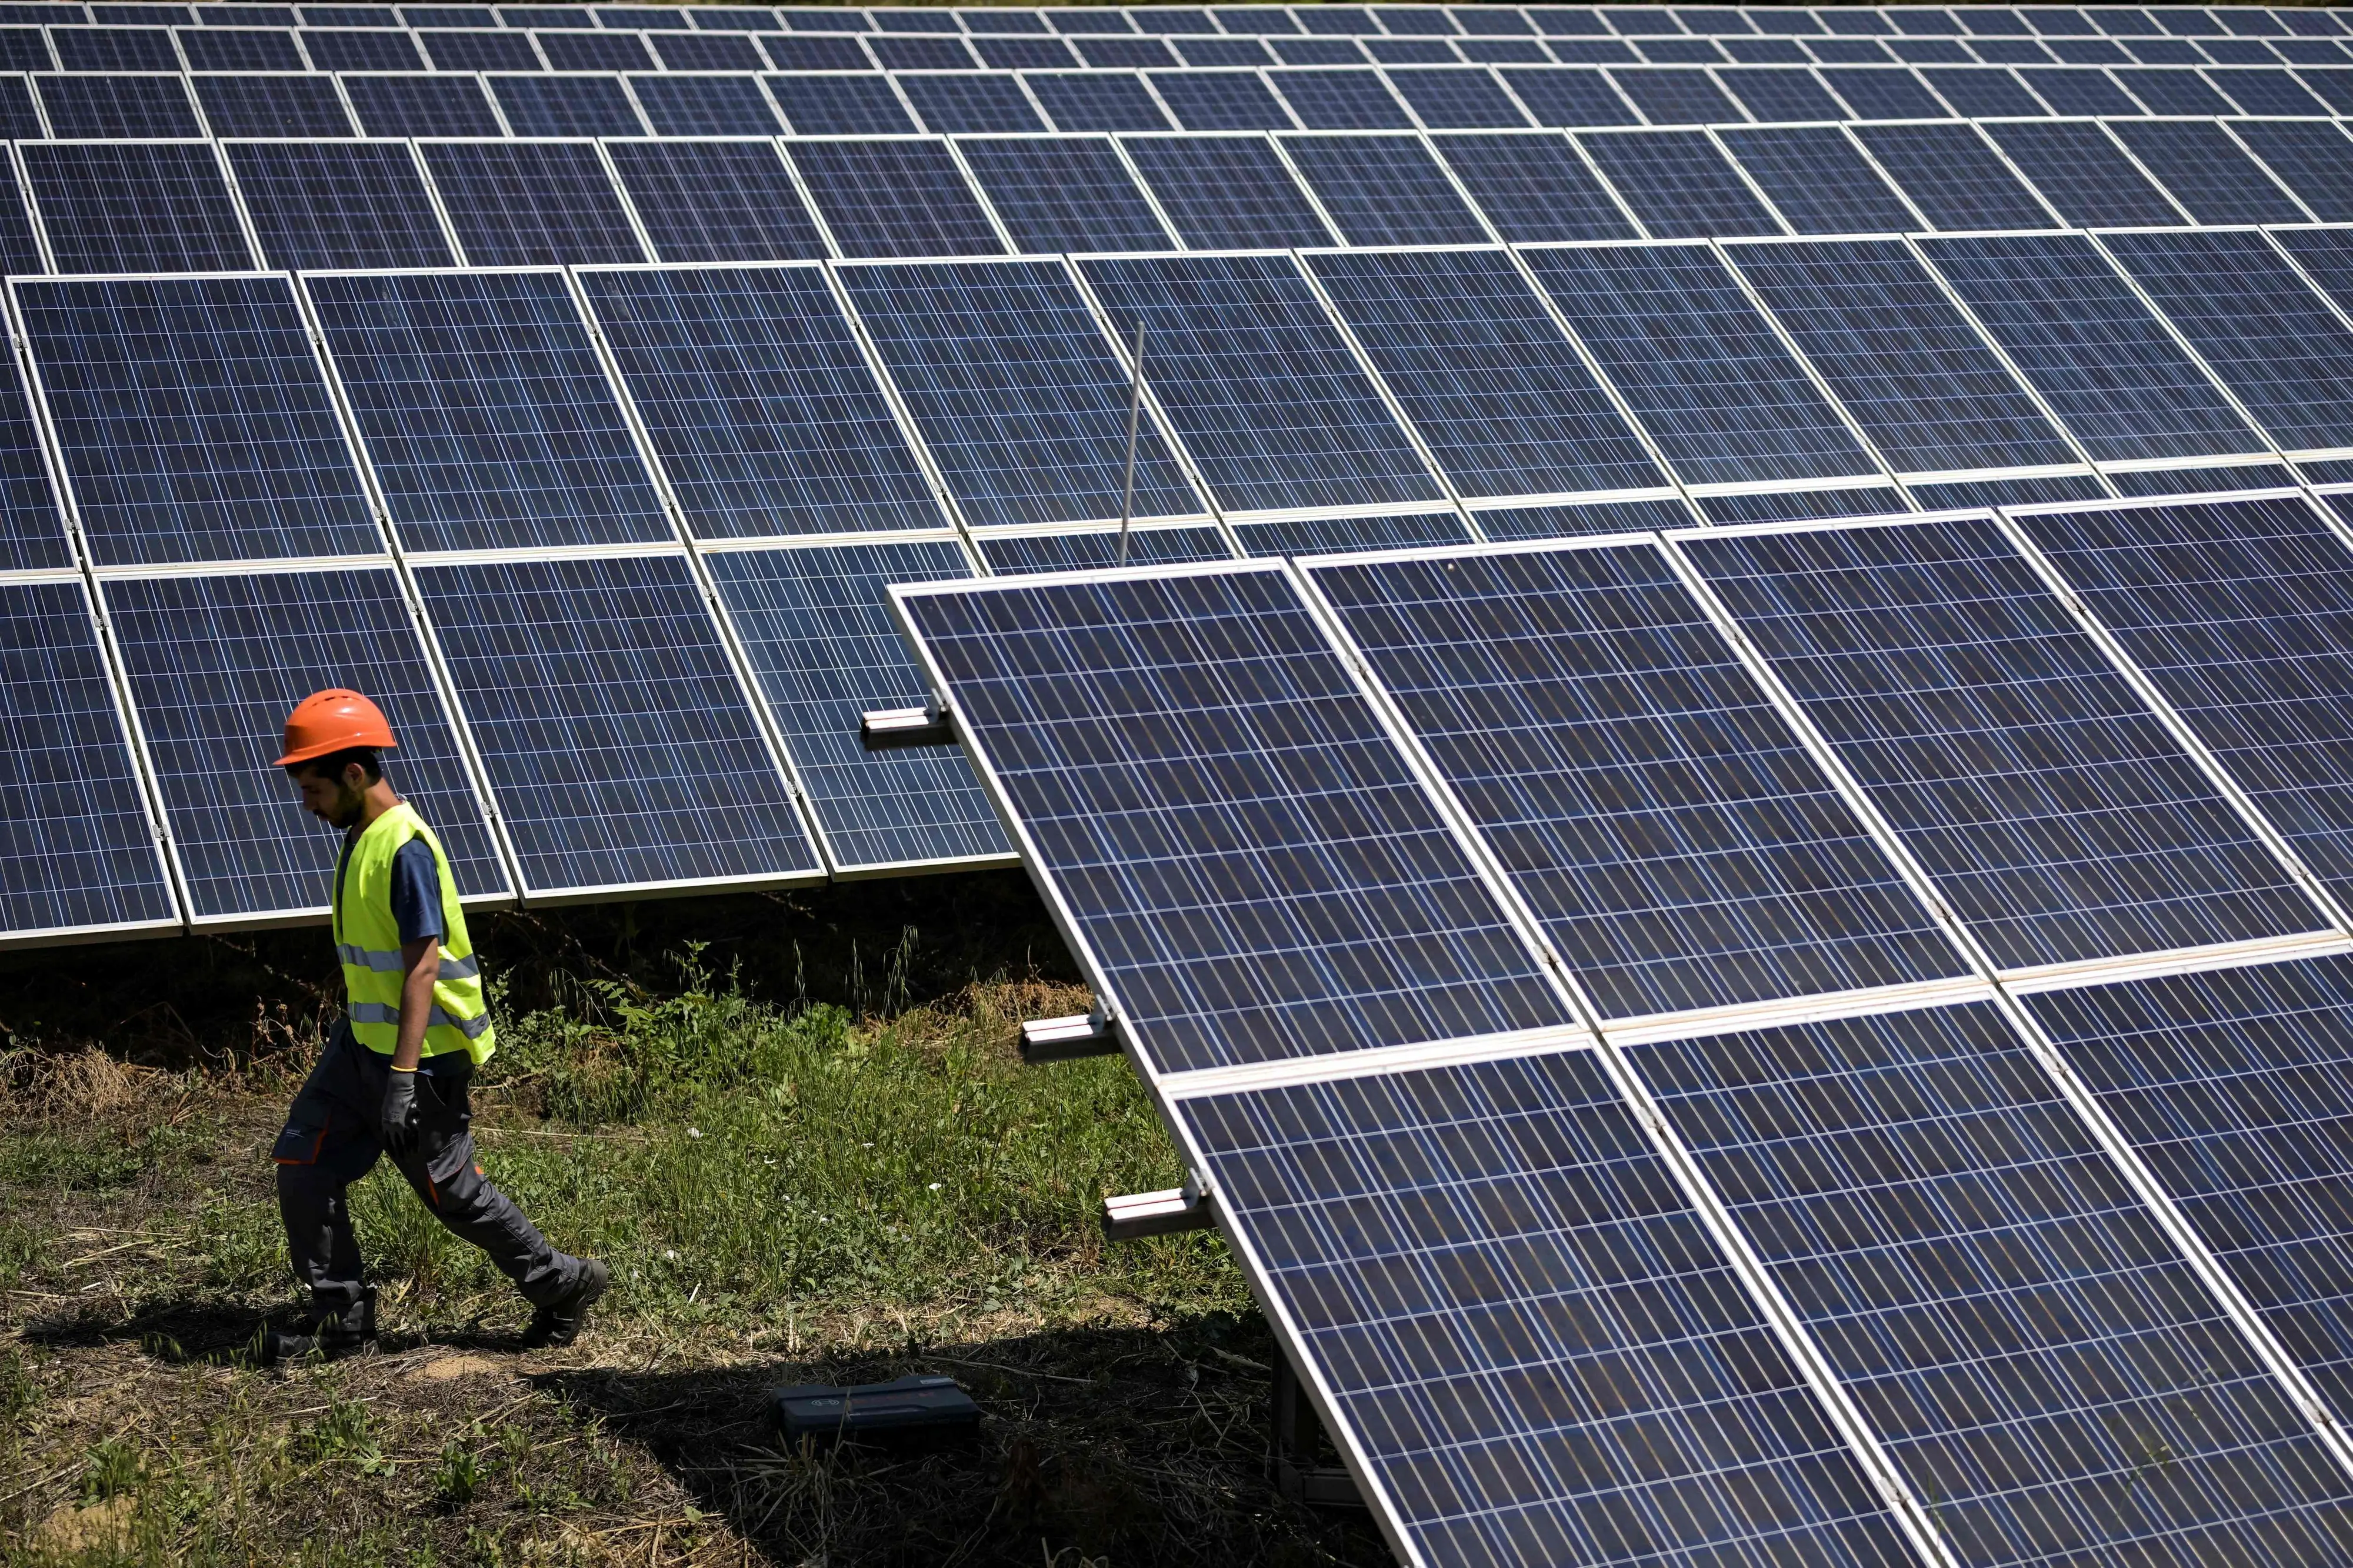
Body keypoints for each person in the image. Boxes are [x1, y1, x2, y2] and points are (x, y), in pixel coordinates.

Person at [261, 689, 607, 1362]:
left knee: (452, 1195)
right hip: (359, 1048)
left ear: (354, 775)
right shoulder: (363, 833)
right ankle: (343, 1318)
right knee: (301, 1165)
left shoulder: (406, 848)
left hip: (419, 1062)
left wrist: (400, 1077)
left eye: (313, 787)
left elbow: (421, 969)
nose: (306, 803)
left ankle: (564, 1286)